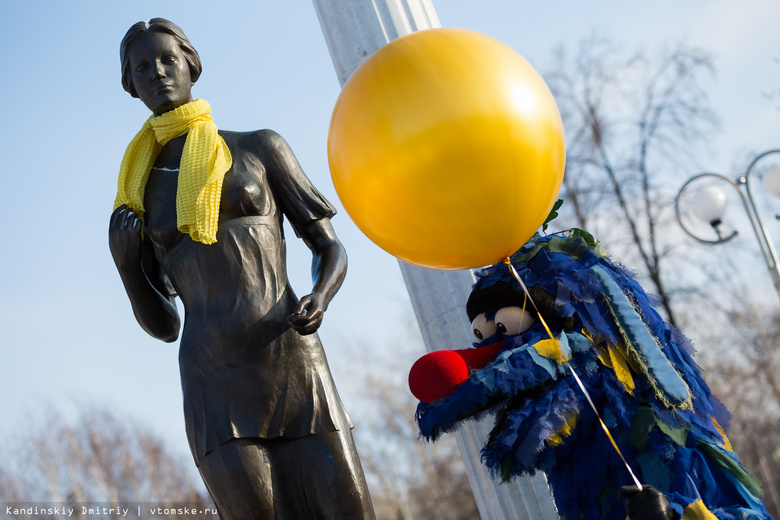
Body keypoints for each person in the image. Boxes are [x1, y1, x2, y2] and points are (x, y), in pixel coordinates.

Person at [109, 18, 375, 520]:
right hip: (213, 381)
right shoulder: (137, 194)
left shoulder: (259, 147)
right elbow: (165, 326)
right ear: (131, 86)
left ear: (191, 63)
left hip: (293, 359)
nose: (158, 73)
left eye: (167, 59)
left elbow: (329, 246)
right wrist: (127, 268)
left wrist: (321, 295)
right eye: (142, 68)